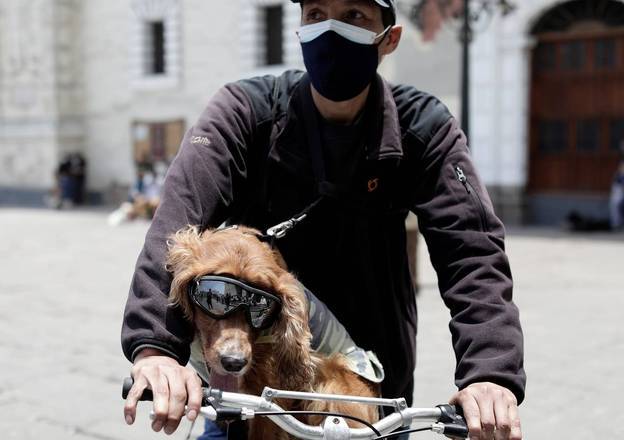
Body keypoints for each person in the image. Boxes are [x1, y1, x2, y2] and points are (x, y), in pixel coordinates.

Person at [121, 1, 526, 439]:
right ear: (298, 28)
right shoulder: (244, 112)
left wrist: (489, 373)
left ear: (389, 38)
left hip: (366, 395)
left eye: (354, 15)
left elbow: (472, 253)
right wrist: (156, 349)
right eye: (315, 14)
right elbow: (176, 223)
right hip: (248, 385)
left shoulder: (424, 128)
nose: (330, 29)